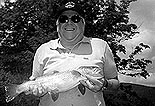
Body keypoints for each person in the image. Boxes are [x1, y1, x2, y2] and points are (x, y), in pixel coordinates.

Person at [27, 2, 120, 106]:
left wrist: (105, 84)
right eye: (63, 19)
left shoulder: (101, 46)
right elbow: (34, 85)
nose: (69, 23)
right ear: (57, 24)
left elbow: (115, 84)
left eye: (75, 18)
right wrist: (35, 92)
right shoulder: (43, 49)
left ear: (83, 23)